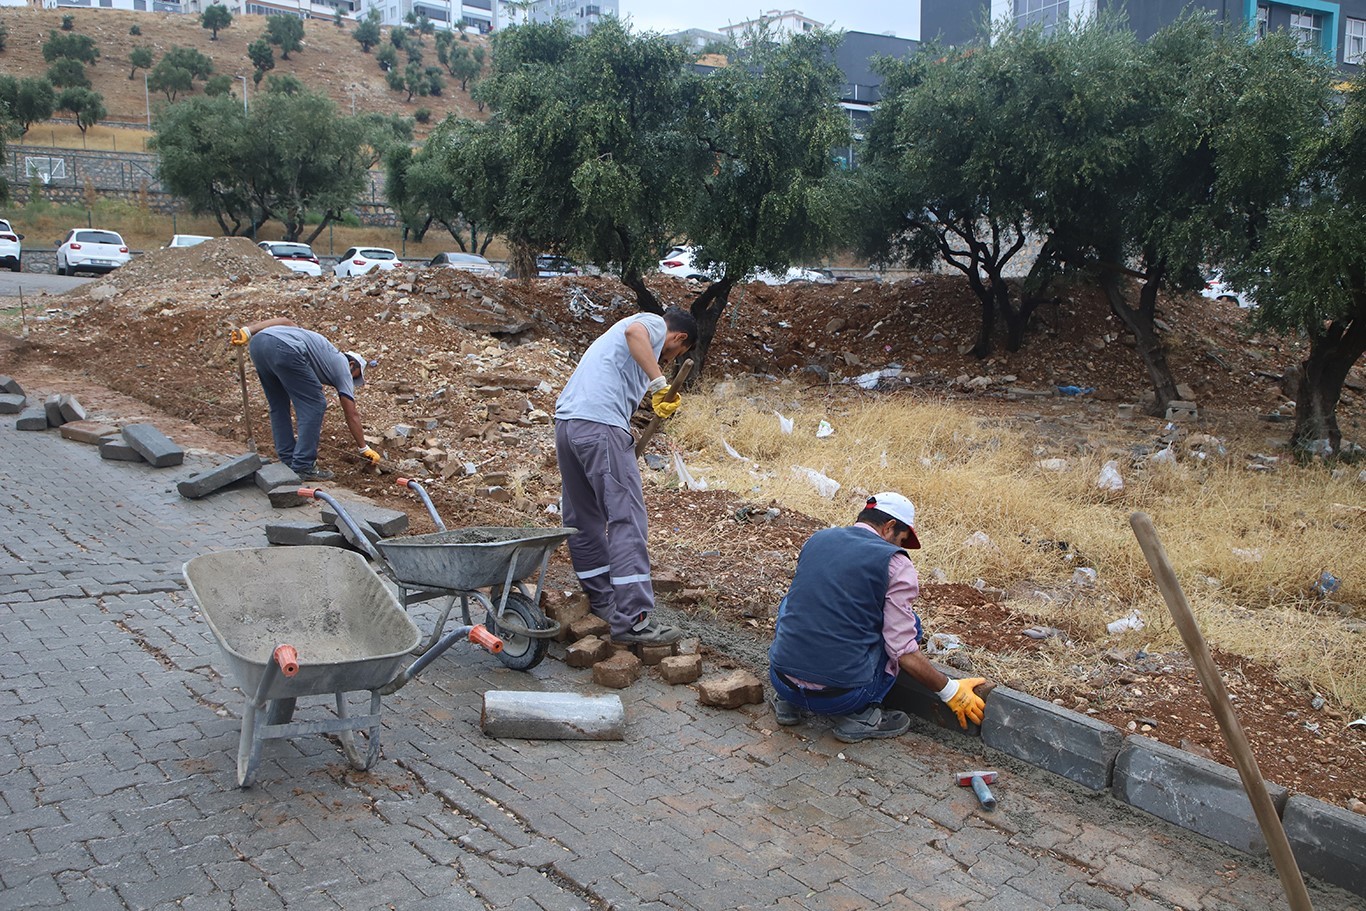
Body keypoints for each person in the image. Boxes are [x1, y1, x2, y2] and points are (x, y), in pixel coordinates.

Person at [768, 492, 990, 743]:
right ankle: (860, 717)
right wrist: (951, 691)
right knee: (910, 626)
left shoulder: (818, 539)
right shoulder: (894, 562)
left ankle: (788, 703)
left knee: (799, 603)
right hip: (841, 697)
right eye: (902, 540)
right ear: (890, 526)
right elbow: (903, 651)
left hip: (781, 680)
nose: (899, 547)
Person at [555, 307, 698, 645]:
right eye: (677, 352)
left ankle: (603, 602)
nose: (670, 357)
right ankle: (634, 620)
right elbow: (636, 334)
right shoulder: (651, 324)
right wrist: (660, 384)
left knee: (583, 519)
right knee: (627, 520)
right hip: (601, 426)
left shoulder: (623, 344)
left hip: (568, 425)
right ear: (679, 338)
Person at [229, 318, 380, 481]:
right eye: (355, 377)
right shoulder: (343, 367)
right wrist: (363, 448)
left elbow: (285, 321)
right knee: (316, 403)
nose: (351, 381)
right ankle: (303, 465)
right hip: (285, 349)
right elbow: (351, 414)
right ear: (352, 364)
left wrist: (248, 331)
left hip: (258, 345)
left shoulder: (314, 345)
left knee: (278, 404)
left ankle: (288, 460)